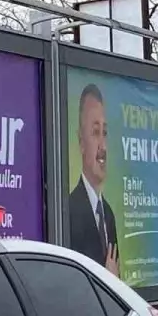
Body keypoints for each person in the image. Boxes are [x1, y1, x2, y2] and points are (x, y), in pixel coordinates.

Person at [67, 84, 120, 277]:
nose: (103, 146)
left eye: (104, 133)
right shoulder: (69, 211)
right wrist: (107, 277)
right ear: (81, 141)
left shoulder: (109, 215)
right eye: (95, 132)